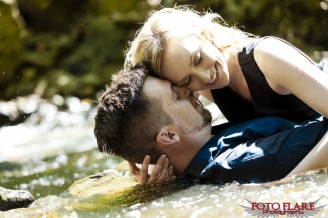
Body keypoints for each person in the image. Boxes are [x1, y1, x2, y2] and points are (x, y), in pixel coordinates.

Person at [94, 65, 328, 185]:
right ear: (169, 137)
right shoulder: (235, 164)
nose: (189, 89)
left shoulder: (204, 146)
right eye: (176, 95)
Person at [124, 6, 328, 123]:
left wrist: (290, 178)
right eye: (187, 79)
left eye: (197, 59)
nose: (205, 78)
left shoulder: (268, 57)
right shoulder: (205, 89)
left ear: (203, 33)